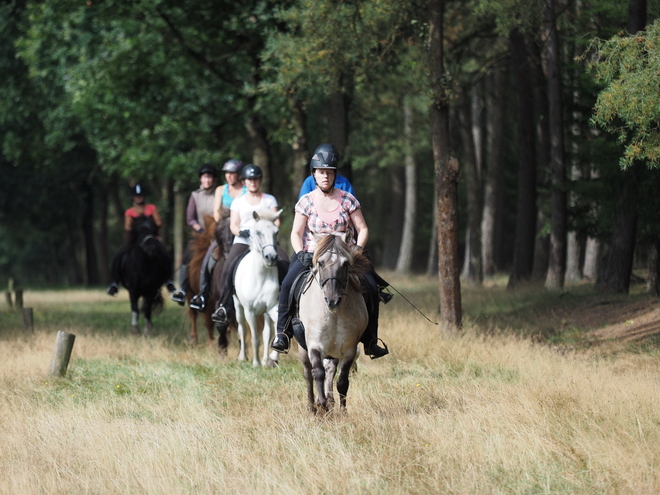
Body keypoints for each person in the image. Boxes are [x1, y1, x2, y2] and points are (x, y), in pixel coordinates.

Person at [271, 143, 389, 359]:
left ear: (335, 175)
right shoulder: (306, 202)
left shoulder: (348, 199)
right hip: (312, 255)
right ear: (314, 175)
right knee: (288, 284)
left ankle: (371, 340)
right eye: (321, 172)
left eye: (329, 173)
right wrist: (300, 253)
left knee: (371, 287)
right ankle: (282, 334)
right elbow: (296, 233)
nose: (325, 176)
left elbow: (362, 228)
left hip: (344, 256)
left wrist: (358, 251)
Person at [204, 164, 283, 330]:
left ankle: (286, 302)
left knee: (284, 261)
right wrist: (242, 232)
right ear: (245, 182)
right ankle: (224, 306)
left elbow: (276, 221)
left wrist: (269, 227)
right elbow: (233, 225)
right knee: (227, 267)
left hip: (266, 241)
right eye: (250, 179)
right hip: (243, 241)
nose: (253, 182)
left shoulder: (269, 199)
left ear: (260, 180)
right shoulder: (238, 202)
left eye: (256, 179)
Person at [189, 159, 246, 310]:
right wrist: (225, 225)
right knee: (209, 257)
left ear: (239, 175)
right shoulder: (221, 189)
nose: (229, 176)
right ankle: (203, 292)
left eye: (232, 173)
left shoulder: (246, 189)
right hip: (225, 230)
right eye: (227, 173)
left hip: (243, 230)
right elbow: (216, 212)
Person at [107, 183, 175, 296]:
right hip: (134, 240)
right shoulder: (130, 212)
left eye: (141, 195)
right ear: (133, 197)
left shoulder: (151, 208)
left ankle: (169, 281)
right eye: (137, 196)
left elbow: (158, 222)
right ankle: (114, 283)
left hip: (150, 238)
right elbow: (127, 227)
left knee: (164, 253)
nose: (139, 198)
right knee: (118, 255)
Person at [170, 163, 218, 304]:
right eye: (204, 177)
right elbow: (190, 219)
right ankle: (182, 289)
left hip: (217, 235)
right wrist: (202, 231)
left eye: (209, 177)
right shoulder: (195, 196)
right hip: (201, 235)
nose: (207, 180)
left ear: (214, 179)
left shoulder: (219, 194)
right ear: (200, 179)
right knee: (187, 257)